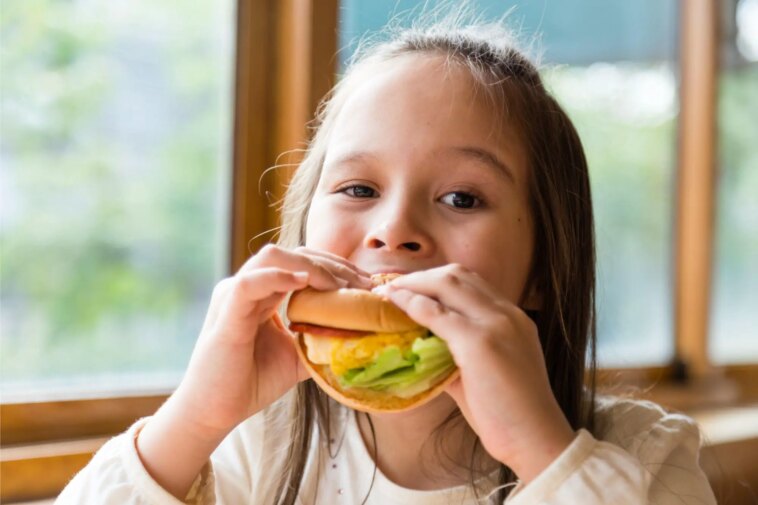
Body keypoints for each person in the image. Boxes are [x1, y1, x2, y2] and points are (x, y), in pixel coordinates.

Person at [56, 13, 717, 505]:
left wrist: (543, 452)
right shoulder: (250, 444)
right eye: (358, 189)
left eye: (461, 197)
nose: (393, 229)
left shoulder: (645, 454)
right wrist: (195, 415)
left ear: (544, 270)